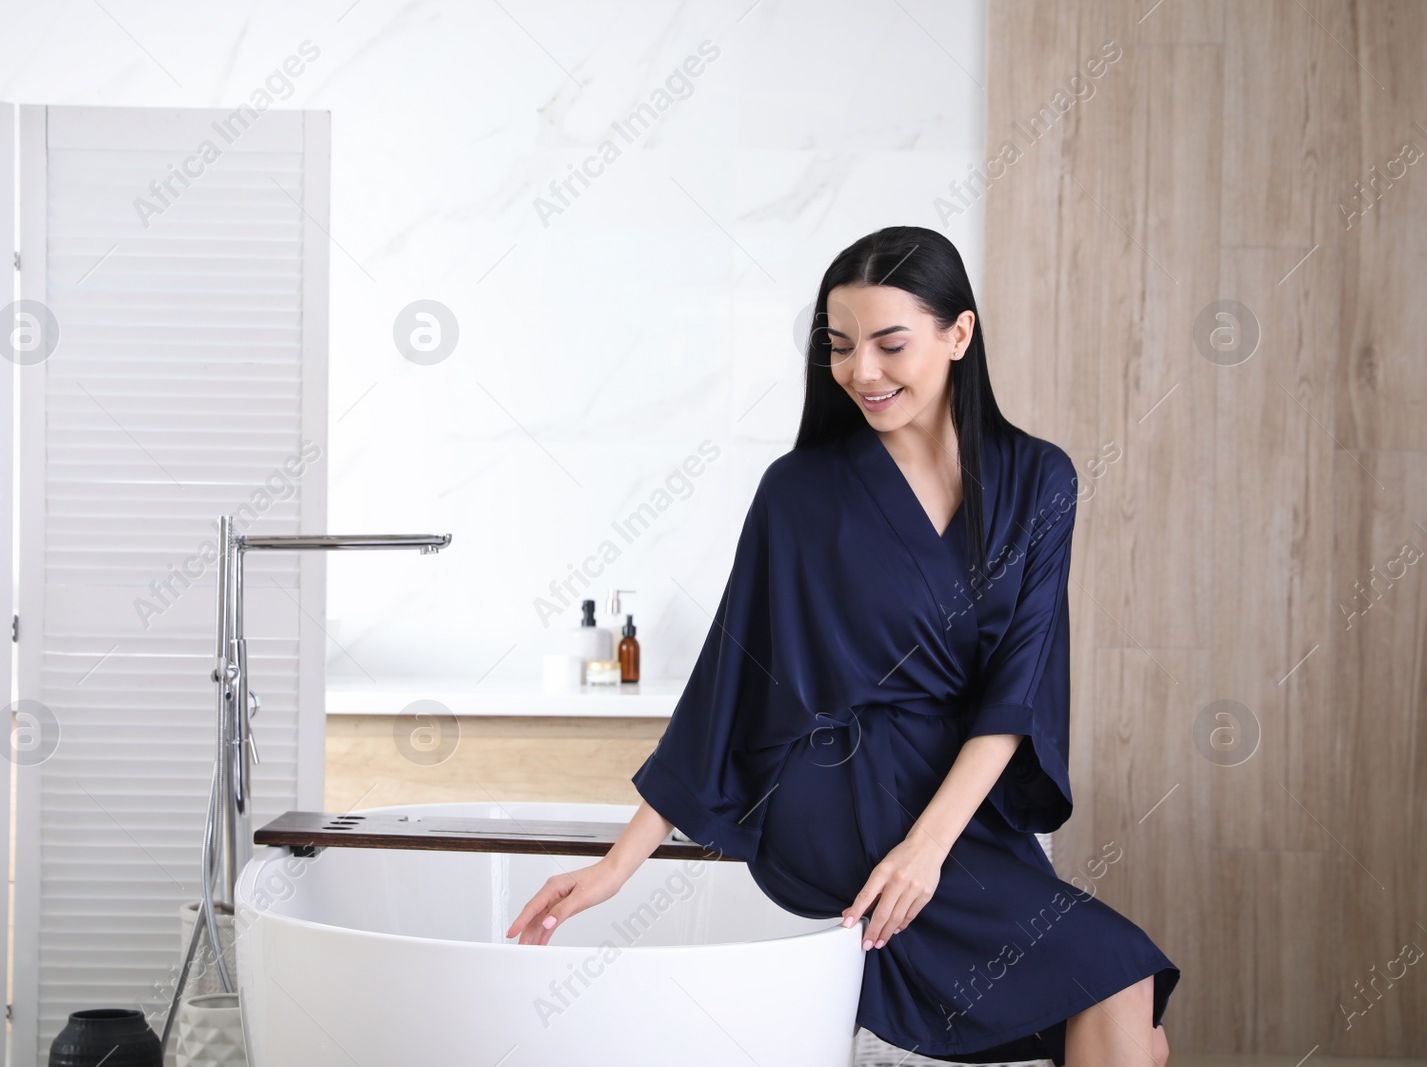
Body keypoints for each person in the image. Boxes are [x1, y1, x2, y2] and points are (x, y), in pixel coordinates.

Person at [505, 226, 1179, 1066]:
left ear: (958, 335)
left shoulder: (1041, 479)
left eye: (890, 343)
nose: (862, 370)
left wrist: (926, 848)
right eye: (841, 345)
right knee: (1114, 978)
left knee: (1133, 1029)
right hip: (835, 799)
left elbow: (1018, 690)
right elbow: (729, 684)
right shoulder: (799, 493)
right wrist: (617, 864)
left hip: (957, 807)